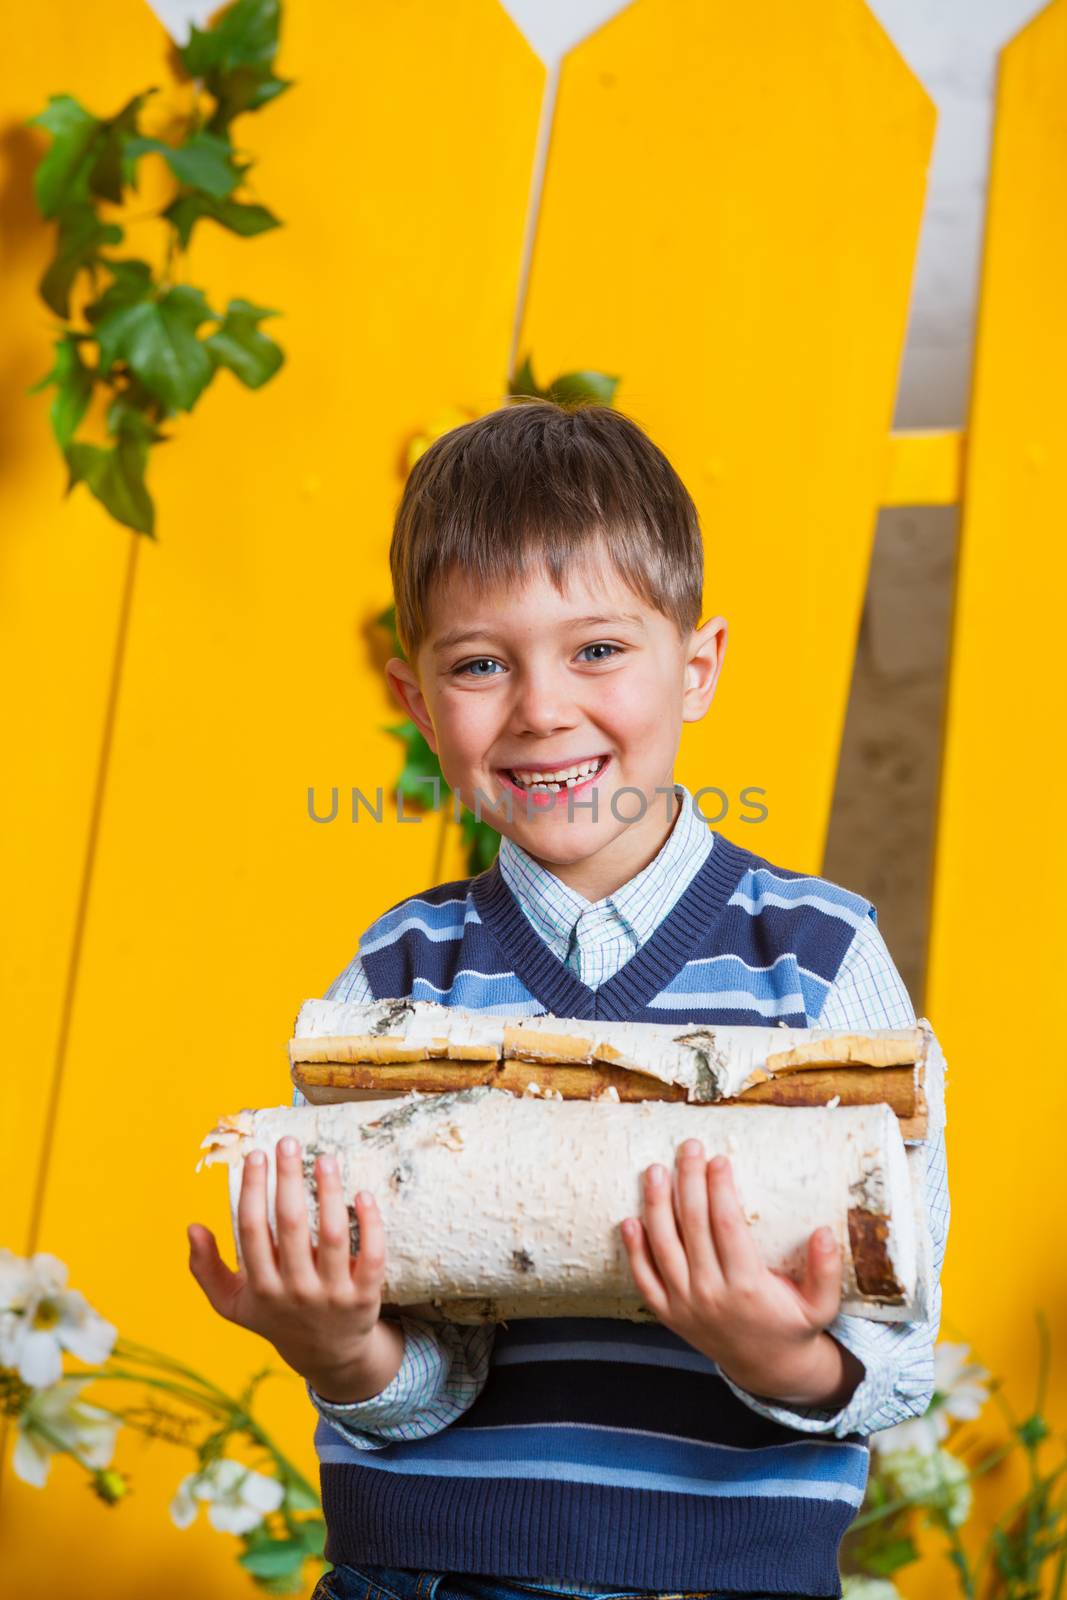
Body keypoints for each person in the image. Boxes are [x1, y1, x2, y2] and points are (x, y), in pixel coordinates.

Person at [188, 398, 949, 1600]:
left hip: (719, 1577)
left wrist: (778, 1352)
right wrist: (339, 1349)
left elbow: (900, 1358)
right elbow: (421, 1383)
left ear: (694, 667)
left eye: (596, 649)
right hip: (425, 1575)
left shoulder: (818, 961)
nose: (541, 707)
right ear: (415, 700)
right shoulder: (387, 987)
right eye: (480, 664)